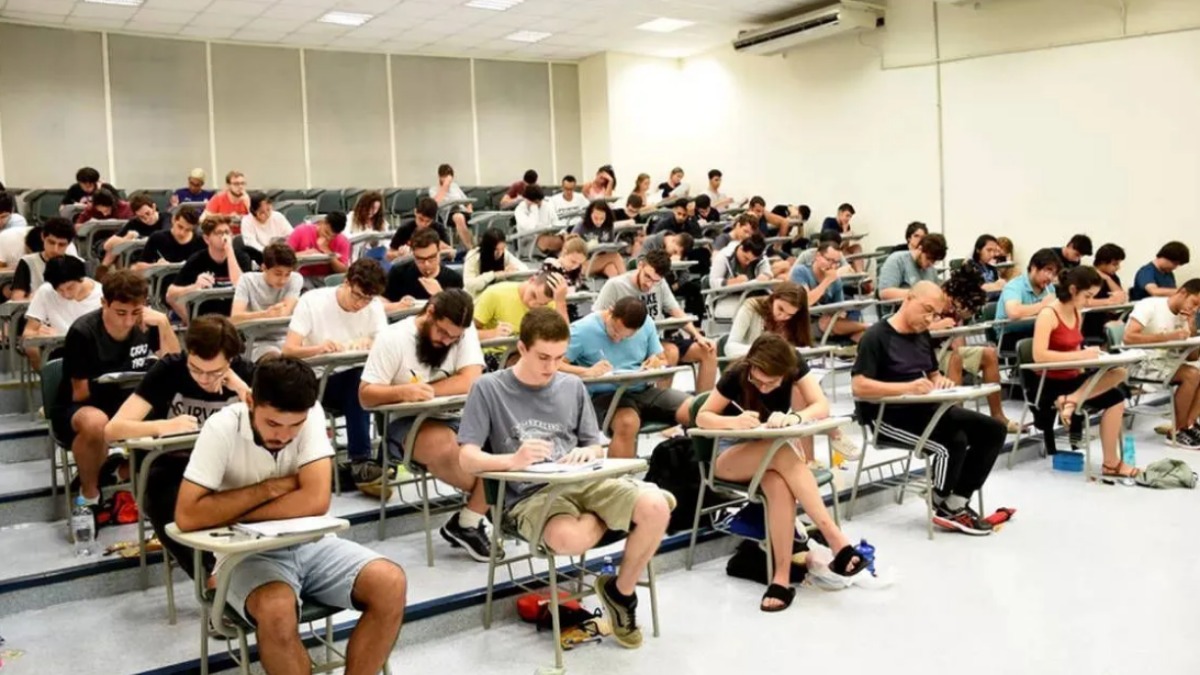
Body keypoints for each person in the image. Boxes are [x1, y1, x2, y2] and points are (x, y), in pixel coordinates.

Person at [458, 307, 673, 649]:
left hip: (583, 480)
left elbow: (595, 444)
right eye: (543, 357)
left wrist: (591, 452)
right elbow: (467, 458)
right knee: (570, 539)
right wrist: (512, 460)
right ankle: (621, 516)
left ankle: (621, 593)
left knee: (657, 507)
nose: (551, 367)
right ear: (522, 348)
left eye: (559, 357)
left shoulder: (571, 385)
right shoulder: (488, 388)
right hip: (530, 494)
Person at [174, 357, 405, 674]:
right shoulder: (221, 428)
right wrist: (267, 489)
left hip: (311, 544)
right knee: (277, 609)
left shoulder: (311, 414)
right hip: (245, 555)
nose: (283, 436)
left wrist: (225, 509)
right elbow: (187, 515)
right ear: (250, 401)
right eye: (272, 424)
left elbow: (315, 500)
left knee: (390, 583)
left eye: (294, 426)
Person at [698, 334, 867, 610]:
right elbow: (702, 416)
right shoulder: (738, 374)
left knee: (778, 484)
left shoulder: (793, 363)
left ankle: (781, 577)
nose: (764, 388)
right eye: (758, 381)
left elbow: (820, 405)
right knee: (782, 451)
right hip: (727, 456)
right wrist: (733, 421)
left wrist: (796, 417)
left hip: (768, 458)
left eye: (772, 383)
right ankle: (837, 539)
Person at [852, 281, 1005, 535]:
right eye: (927, 310)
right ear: (909, 299)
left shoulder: (921, 335)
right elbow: (859, 386)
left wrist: (939, 380)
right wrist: (906, 388)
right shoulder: (875, 337)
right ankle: (940, 499)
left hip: (924, 410)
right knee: (952, 442)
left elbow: (933, 373)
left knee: (993, 429)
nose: (930, 318)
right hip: (887, 418)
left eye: (935, 314)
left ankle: (955, 502)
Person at [105, 316, 252, 576]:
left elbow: (275, 420)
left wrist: (240, 387)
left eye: (215, 372)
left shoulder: (244, 372)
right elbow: (113, 429)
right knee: (167, 502)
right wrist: (162, 426)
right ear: (189, 353)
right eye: (196, 369)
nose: (204, 379)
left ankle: (247, 576)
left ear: (230, 361)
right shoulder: (170, 369)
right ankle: (211, 580)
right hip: (174, 468)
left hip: (229, 468)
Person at [359, 289, 495, 561]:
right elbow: (365, 395)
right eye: (443, 333)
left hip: (459, 416)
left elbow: (469, 380)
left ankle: (468, 521)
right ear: (429, 312)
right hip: (407, 424)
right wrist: (401, 392)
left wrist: (429, 390)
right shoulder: (393, 337)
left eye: (454, 338)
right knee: (479, 467)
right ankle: (479, 513)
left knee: (512, 446)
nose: (447, 342)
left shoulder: (461, 334)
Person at [54, 271, 180, 509]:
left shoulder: (149, 323)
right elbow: (79, 392)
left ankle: (122, 471)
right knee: (97, 423)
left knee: (176, 414)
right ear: (104, 304)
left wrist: (163, 323)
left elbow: (175, 367)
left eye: (136, 312)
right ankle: (90, 494)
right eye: (121, 313)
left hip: (129, 401)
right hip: (83, 405)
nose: (129, 321)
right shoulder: (83, 332)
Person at [283, 259, 389, 495]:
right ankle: (360, 462)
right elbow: (289, 350)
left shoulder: (373, 307)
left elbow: (386, 345)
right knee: (360, 383)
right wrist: (318, 349)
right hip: (321, 381)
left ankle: (386, 458)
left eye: (367, 299)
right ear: (346, 282)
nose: (361, 304)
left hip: (361, 378)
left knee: (379, 381)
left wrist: (372, 342)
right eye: (358, 296)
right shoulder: (313, 301)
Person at [1031, 266, 1133, 477]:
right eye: (1087, 296)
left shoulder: (1077, 313)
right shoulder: (1048, 314)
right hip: (1051, 383)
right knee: (1116, 395)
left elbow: (1075, 348)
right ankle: (1111, 463)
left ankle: (1071, 400)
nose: (1089, 302)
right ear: (1073, 290)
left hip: (1072, 379)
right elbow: (1039, 356)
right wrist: (1080, 356)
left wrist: (1090, 356)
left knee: (1119, 379)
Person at [561, 297, 692, 458]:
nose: (618, 339)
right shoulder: (582, 330)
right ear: (610, 313)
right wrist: (586, 372)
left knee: (696, 409)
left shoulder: (647, 324)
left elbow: (662, 358)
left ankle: (700, 474)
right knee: (627, 422)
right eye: (615, 331)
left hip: (643, 390)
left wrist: (656, 362)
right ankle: (618, 481)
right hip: (603, 397)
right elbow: (555, 364)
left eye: (626, 337)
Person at [594, 250, 716, 391]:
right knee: (670, 352)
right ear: (640, 266)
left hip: (658, 338)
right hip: (629, 341)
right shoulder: (615, 285)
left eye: (655, 281)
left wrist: (697, 335)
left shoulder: (661, 283)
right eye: (647, 277)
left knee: (708, 349)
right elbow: (597, 319)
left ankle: (702, 407)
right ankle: (659, 402)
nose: (650, 284)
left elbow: (676, 311)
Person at [935, 267, 1019, 432]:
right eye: (954, 307)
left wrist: (960, 346)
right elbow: (913, 330)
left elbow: (957, 338)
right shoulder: (933, 298)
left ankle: (998, 416)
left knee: (988, 354)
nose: (954, 311)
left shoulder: (959, 304)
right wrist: (936, 325)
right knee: (955, 359)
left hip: (945, 349)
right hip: (924, 351)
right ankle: (956, 422)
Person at [1122, 278, 1200, 448]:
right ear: (1183, 292)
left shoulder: (1185, 317)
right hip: (1140, 361)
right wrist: (1167, 337)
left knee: (1195, 371)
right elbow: (1128, 338)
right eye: (1194, 303)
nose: (1194, 309)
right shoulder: (1149, 305)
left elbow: (1193, 357)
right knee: (1192, 375)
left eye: (1198, 308)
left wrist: (1191, 326)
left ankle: (1189, 424)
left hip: (1167, 363)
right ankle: (1177, 430)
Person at [23, 256, 102, 370]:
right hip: (60, 351)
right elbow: (28, 332)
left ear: (81, 278)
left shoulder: (101, 294)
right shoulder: (46, 292)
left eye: (70, 288)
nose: (66, 294)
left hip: (94, 351)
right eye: (59, 290)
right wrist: (38, 334)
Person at [167, 216, 251, 320]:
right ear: (207, 239)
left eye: (227, 232)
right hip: (207, 321)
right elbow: (170, 295)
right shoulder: (197, 260)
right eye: (219, 233)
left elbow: (240, 285)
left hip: (235, 320)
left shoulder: (242, 257)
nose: (224, 237)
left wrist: (229, 250)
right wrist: (194, 287)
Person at [231, 242, 303, 361]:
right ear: (264, 268)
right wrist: (265, 314)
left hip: (289, 339)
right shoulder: (247, 280)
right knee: (277, 362)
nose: (283, 280)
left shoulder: (295, 279)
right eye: (278, 274)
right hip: (257, 342)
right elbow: (235, 318)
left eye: (287, 274)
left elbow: (284, 312)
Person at [789, 239, 868, 343]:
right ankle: (869, 326)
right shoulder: (801, 271)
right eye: (829, 260)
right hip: (803, 323)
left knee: (860, 335)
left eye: (836, 262)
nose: (833, 266)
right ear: (817, 256)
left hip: (828, 323)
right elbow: (806, 302)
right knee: (827, 323)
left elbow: (840, 310)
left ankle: (866, 332)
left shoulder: (836, 280)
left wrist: (838, 315)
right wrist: (827, 281)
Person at [995, 247, 1062, 350]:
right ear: (1034, 268)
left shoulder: (1049, 287)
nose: (1051, 278)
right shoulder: (1014, 286)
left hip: (1035, 330)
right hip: (1009, 336)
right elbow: (1014, 312)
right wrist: (1043, 305)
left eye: (1054, 273)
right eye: (1048, 271)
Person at [474, 271, 567, 342]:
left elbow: (564, 338)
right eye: (533, 295)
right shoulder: (495, 293)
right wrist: (493, 333)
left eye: (542, 304)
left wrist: (561, 301)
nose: (533, 305)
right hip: (494, 353)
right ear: (531, 280)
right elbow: (466, 334)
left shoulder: (552, 303)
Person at [383, 228, 463, 310]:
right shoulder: (398, 273)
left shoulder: (454, 279)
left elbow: (459, 314)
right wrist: (398, 305)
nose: (426, 264)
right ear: (413, 255)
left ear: (439, 252)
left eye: (431, 258)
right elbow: (380, 302)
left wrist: (440, 295)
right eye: (420, 259)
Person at [11, 217, 75, 301]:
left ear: (69, 244)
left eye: (61, 245)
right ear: (43, 237)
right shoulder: (27, 262)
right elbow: (17, 299)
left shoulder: (77, 265)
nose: (55, 249)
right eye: (51, 242)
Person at [709, 234, 770, 320]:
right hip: (727, 297)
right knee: (753, 308)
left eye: (751, 261)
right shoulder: (723, 256)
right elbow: (713, 283)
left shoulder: (760, 256)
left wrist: (765, 276)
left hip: (752, 295)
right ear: (740, 248)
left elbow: (767, 272)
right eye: (746, 258)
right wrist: (734, 281)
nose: (748, 263)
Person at [100, 194, 168, 268]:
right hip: (141, 260)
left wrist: (139, 238)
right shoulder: (135, 223)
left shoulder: (167, 218)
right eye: (141, 217)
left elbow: (165, 238)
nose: (146, 219)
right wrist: (126, 238)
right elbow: (107, 245)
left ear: (153, 207)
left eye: (147, 213)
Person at [877, 233, 947, 301]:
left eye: (934, 261)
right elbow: (884, 293)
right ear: (920, 249)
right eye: (928, 258)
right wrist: (919, 293)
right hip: (899, 310)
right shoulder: (897, 260)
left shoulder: (931, 268)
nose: (931, 264)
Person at [136, 204, 205, 272]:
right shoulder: (157, 238)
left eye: (188, 230)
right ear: (173, 220)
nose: (182, 233)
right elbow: (137, 267)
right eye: (180, 227)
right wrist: (155, 266)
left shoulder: (200, 241)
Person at [1082, 243, 1129, 340]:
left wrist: (1107, 279)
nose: (1118, 268)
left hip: (1110, 320)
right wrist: (1109, 302)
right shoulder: (1087, 276)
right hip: (1092, 322)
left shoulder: (1112, 277)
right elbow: (1083, 301)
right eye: (1115, 264)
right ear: (1103, 262)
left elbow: (1121, 296)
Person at [287, 211, 350, 280]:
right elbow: (284, 257)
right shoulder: (301, 230)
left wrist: (328, 252)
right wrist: (304, 254)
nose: (328, 237)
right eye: (326, 232)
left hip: (325, 278)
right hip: (302, 276)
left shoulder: (342, 241)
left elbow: (344, 271)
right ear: (322, 223)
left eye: (333, 236)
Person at [463, 227, 526, 297]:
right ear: (488, 249)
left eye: (502, 249)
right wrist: (493, 275)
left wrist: (513, 270)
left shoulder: (505, 253)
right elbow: (470, 285)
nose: (500, 253)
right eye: (496, 250)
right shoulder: (473, 256)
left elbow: (523, 268)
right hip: (476, 297)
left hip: (497, 294)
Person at [574, 200, 624, 279]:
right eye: (596, 218)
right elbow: (570, 245)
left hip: (601, 260)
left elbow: (610, 247)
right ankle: (628, 284)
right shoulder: (581, 226)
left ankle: (617, 289)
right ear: (590, 214)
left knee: (612, 269)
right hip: (582, 264)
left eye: (602, 218)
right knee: (615, 256)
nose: (598, 221)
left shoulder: (608, 226)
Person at [429, 163, 474, 248]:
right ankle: (470, 247)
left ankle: (473, 245)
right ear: (440, 177)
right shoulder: (434, 189)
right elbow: (435, 203)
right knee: (459, 217)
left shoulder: (455, 187)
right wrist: (445, 186)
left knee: (464, 217)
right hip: (447, 214)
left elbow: (467, 202)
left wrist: (469, 209)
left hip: (461, 211)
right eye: (445, 177)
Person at [514, 184, 564, 257]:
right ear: (527, 200)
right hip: (529, 239)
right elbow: (531, 227)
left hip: (548, 234)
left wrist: (562, 233)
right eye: (537, 202)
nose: (540, 204)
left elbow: (556, 222)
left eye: (540, 201)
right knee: (547, 241)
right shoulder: (520, 210)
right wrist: (534, 209)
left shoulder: (546, 205)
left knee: (570, 239)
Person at [963, 234, 1006, 300]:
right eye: (989, 250)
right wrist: (996, 286)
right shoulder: (969, 266)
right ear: (978, 250)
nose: (992, 254)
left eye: (994, 251)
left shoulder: (992, 268)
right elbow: (977, 289)